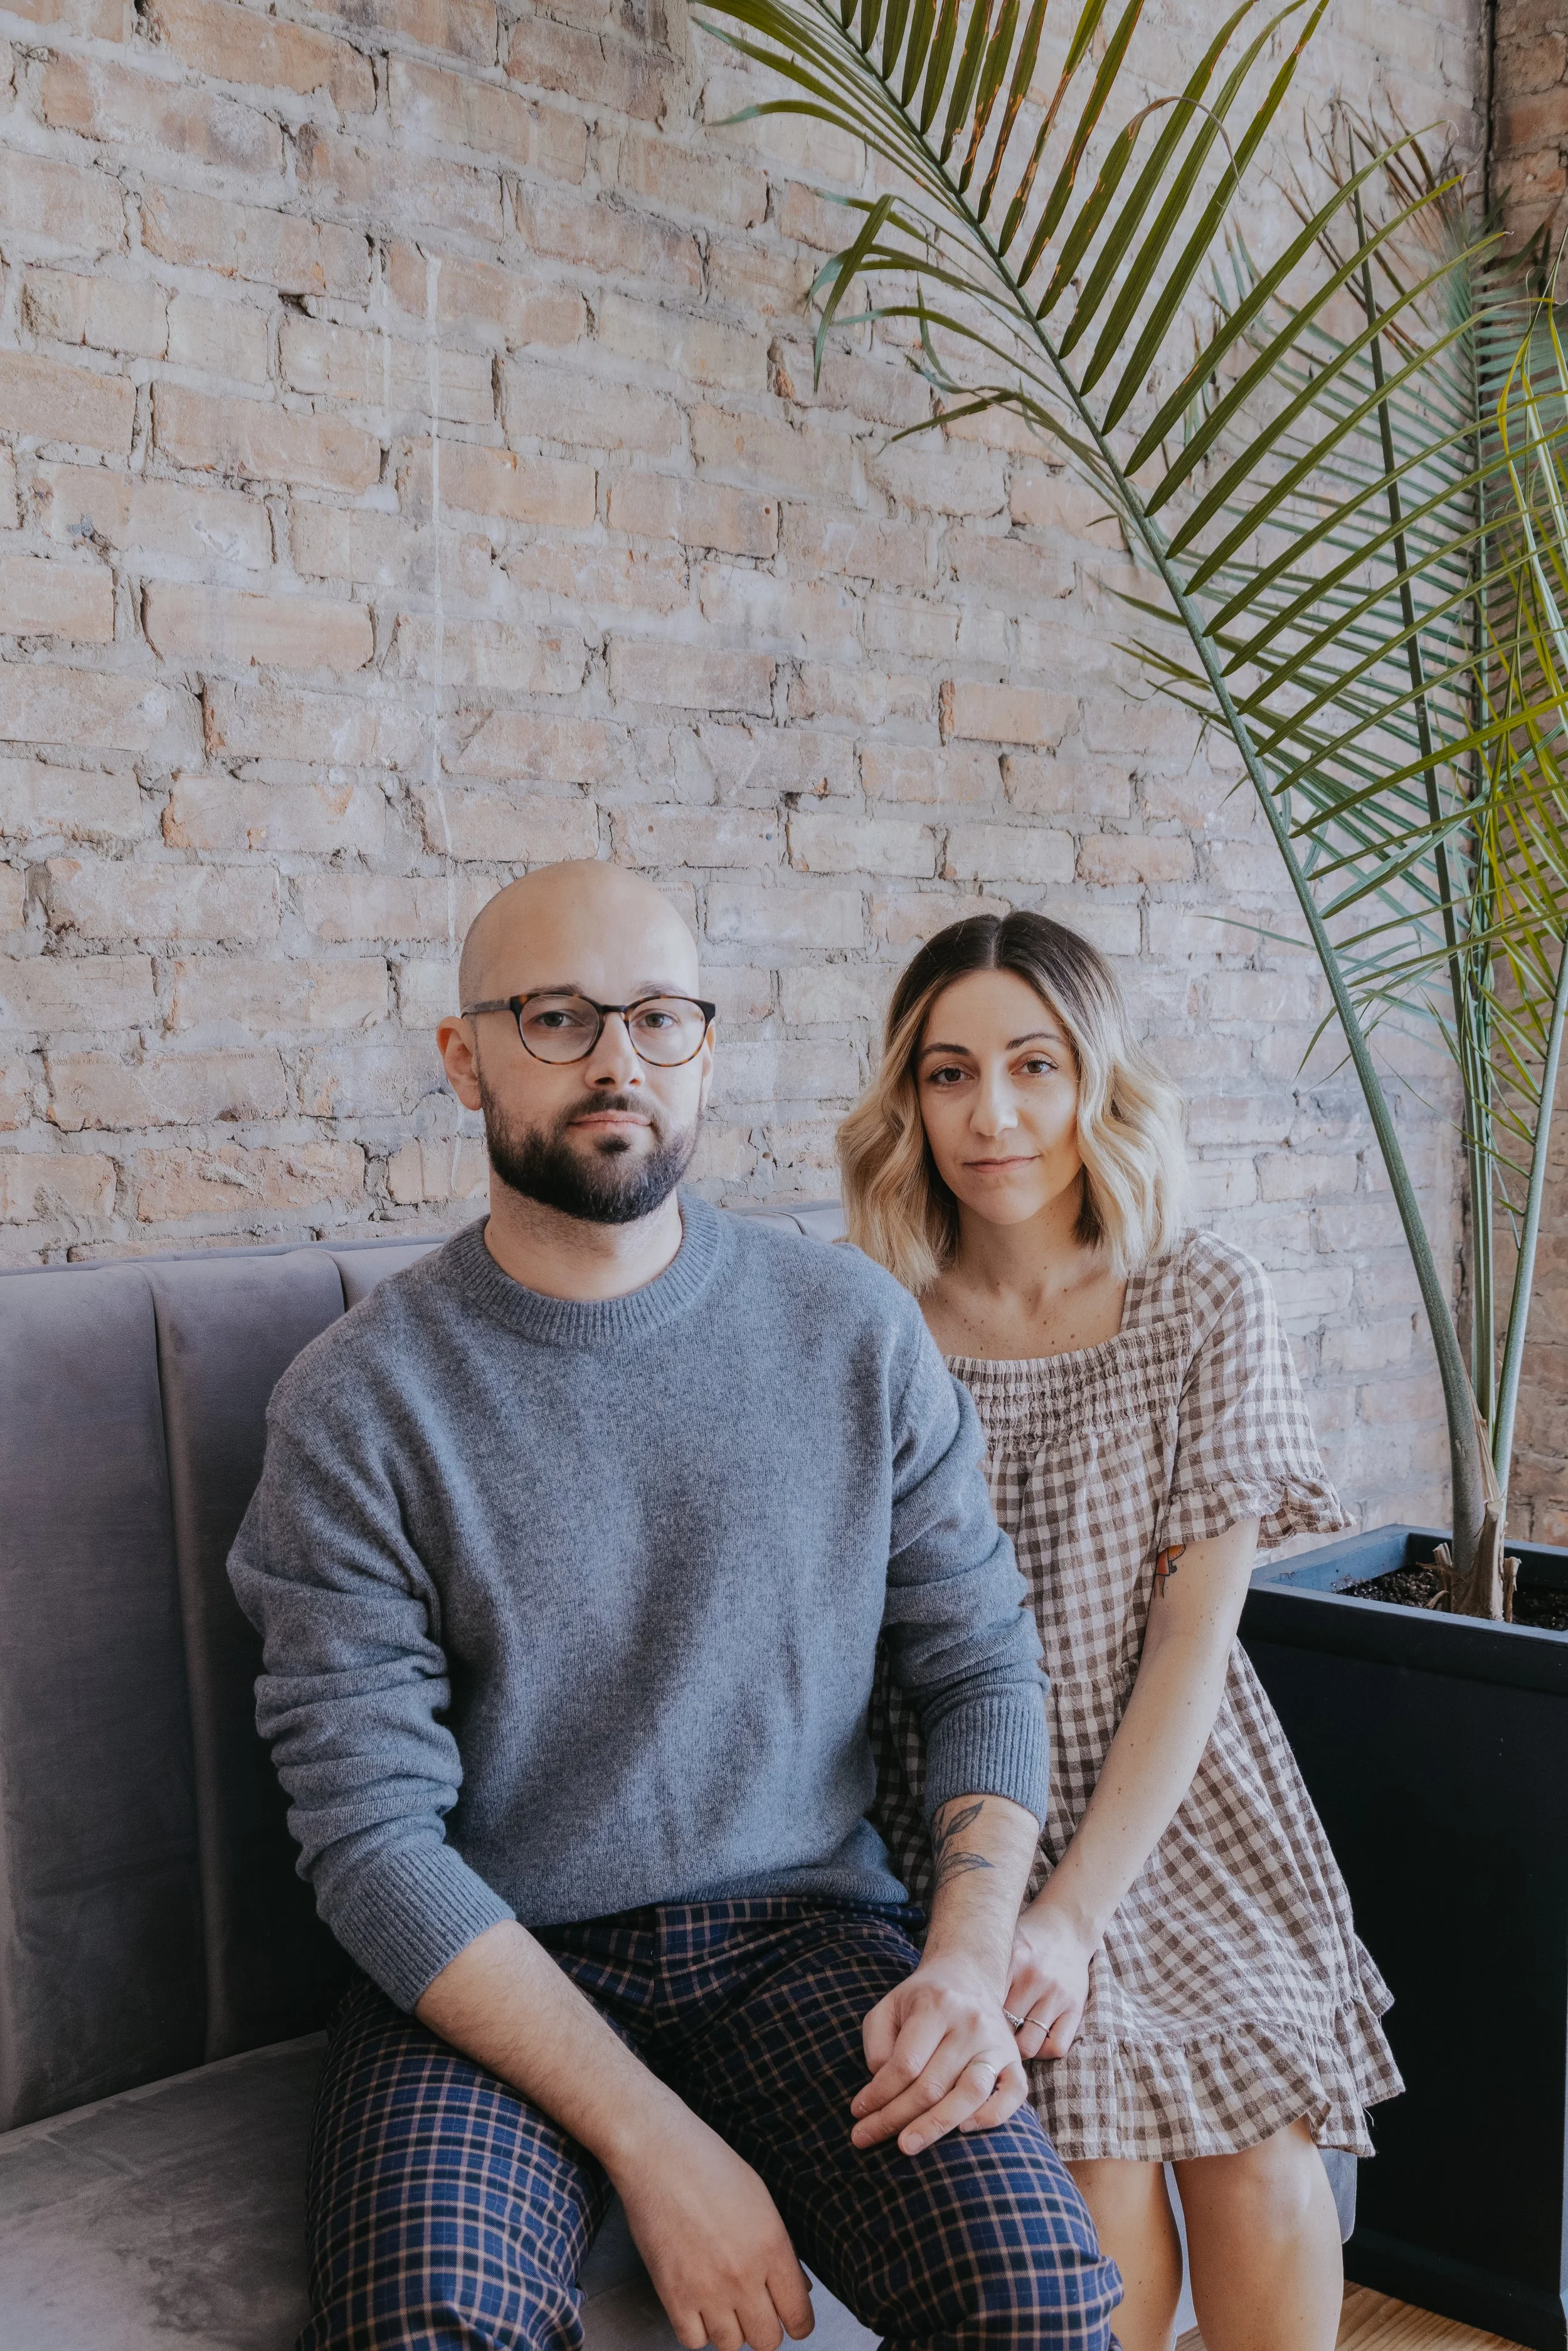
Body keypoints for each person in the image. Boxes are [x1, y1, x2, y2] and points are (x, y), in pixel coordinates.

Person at [229, 861, 1123, 2351]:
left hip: (801, 1937)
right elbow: (371, 1838)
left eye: (657, 1017)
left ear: (706, 1046)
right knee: (420, 2323)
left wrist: (966, 1956)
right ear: (464, 1056)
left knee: (1035, 2297)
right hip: (496, 1953)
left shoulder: (852, 1330)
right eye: (557, 1017)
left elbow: (979, 1665)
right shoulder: (356, 1404)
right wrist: (659, 2144)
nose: (616, 1062)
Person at [839, 911, 1403, 2351]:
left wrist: (1072, 1919)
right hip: (967, 1810)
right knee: (1088, 2158)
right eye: (949, 1072)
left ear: (1096, 1078)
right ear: (909, 1097)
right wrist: (1010, 1918)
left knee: (1256, 2149)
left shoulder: (1199, 1295)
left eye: (1033, 1064)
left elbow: (1190, 1643)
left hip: (1179, 1798)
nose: (993, 1113)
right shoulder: (873, 1320)